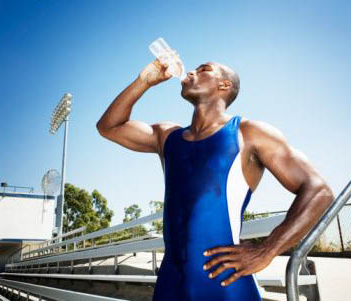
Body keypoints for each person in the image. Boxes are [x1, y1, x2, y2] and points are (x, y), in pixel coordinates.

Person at [96, 58, 334, 300]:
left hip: (224, 283)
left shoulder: (249, 133)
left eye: (203, 70)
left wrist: (267, 250)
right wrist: (143, 82)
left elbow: (319, 191)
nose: (190, 72)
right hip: (170, 284)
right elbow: (108, 127)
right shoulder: (167, 136)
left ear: (224, 85)